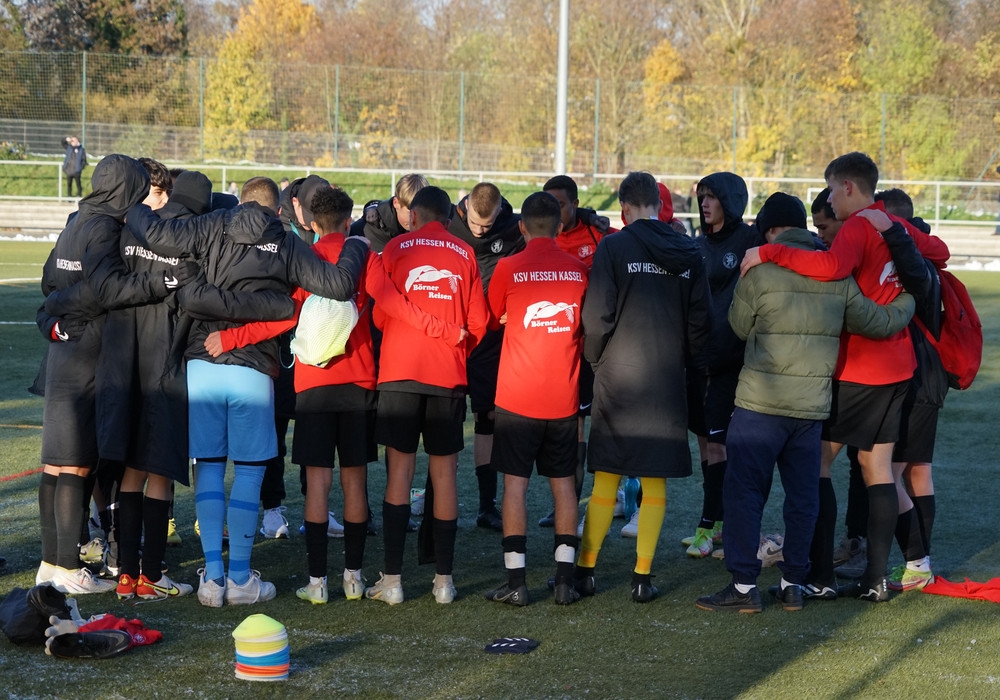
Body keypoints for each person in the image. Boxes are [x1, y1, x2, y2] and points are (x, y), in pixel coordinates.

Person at [205, 184, 465, 604]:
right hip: (361, 383)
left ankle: (316, 583)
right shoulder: (366, 257)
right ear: (349, 221)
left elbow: (282, 316)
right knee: (356, 482)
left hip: (313, 388)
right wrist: (442, 329)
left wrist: (234, 337)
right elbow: (389, 304)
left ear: (308, 222)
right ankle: (353, 577)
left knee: (319, 483)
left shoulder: (300, 259)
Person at [124, 176, 369, 607]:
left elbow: (157, 233)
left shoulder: (213, 224)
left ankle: (213, 580)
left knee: (212, 467)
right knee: (251, 469)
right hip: (254, 369)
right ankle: (239, 577)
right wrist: (355, 246)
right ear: (278, 212)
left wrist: (130, 197)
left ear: (239, 203)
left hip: (202, 363)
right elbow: (338, 286)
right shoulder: (285, 241)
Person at [741, 152, 949, 602]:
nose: (830, 199)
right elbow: (940, 252)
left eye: (832, 189)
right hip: (899, 367)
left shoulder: (857, 225)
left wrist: (768, 252)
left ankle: (820, 576)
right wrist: (894, 236)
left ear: (849, 187)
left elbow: (831, 269)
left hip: (858, 365)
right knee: (876, 468)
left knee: (818, 463)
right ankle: (875, 580)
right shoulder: (886, 221)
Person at [694, 192, 914, 613]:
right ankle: (794, 582)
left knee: (744, 495)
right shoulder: (836, 273)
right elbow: (877, 321)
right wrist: (907, 298)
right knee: (803, 497)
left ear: (772, 232)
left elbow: (739, 328)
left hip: (761, 404)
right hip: (810, 408)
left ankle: (743, 588)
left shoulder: (758, 270)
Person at [35, 154, 177, 595]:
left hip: (64, 348)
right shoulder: (103, 228)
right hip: (88, 353)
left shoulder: (76, 220)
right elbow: (108, 289)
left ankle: (50, 565)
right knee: (75, 464)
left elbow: (48, 282)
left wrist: (56, 310)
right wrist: (163, 283)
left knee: (55, 464)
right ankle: (66, 566)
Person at [574, 171, 712, 603]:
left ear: (625, 209)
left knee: (605, 482)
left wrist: (596, 360)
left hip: (619, 376)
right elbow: (700, 326)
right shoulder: (689, 252)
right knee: (654, 484)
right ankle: (642, 577)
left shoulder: (614, 246)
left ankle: (586, 570)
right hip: (667, 379)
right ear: (658, 204)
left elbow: (596, 318)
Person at [366, 185, 488, 605]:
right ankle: (444, 583)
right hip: (447, 377)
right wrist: (451, 349)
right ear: (450, 218)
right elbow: (479, 322)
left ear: (413, 216)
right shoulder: (465, 253)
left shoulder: (395, 250)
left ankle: (393, 580)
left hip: (399, 374)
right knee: (445, 475)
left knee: (399, 473)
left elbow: (381, 315)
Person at [482, 191, 589, 606]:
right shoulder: (580, 270)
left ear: (522, 227)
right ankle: (564, 581)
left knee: (515, 487)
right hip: (563, 399)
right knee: (564, 488)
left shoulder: (508, 267)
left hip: (517, 399)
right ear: (560, 226)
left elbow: (492, 319)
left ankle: (516, 582)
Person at [683, 171, 763, 558]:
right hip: (696, 363)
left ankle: (711, 526)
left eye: (713, 197)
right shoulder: (696, 245)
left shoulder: (749, 239)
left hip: (729, 362)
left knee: (721, 449)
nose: (705, 203)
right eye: (702, 196)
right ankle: (714, 524)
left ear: (730, 201)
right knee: (706, 447)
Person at [874, 187, 948, 592]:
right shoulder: (929, 256)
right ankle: (920, 561)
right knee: (919, 469)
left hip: (914, 375)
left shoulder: (907, 259)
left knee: (888, 472)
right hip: (933, 376)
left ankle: (915, 560)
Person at [536, 175, 614, 531]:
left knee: (598, 423)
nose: (555, 209)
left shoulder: (598, 235)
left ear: (575, 203)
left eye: (561, 203)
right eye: (549, 202)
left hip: (595, 347)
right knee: (569, 427)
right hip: (556, 348)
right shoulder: (541, 237)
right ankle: (567, 504)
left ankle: (602, 501)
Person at [447, 182, 524, 531]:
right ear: (465, 208)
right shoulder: (449, 222)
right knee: (443, 416)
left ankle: (485, 505)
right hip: (451, 331)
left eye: (487, 224)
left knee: (487, 415)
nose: (480, 231)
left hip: (491, 336)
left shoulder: (513, 226)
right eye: (476, 225)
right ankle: (434, 499)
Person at [350, 173, 429, 253]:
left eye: (421, 214)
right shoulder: (360, 232)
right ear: (396, 203)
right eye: (410, 214)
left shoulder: (431, 234)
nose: (415, 220)